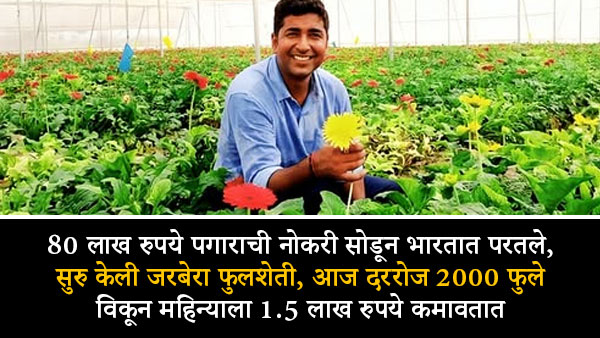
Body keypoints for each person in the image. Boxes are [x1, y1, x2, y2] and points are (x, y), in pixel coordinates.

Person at [215, 0, 400, 214]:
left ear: (326, 42)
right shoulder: (248, 93)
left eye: (314, 35)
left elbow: (349, 164)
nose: (303, 45)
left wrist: (359, 209)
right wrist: (314, 165)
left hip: (314, 178)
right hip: (248, 195)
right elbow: (259, 180)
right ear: (275, 42)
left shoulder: (334, 89)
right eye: (293, 33)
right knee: (321, 194)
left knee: (391, 192)